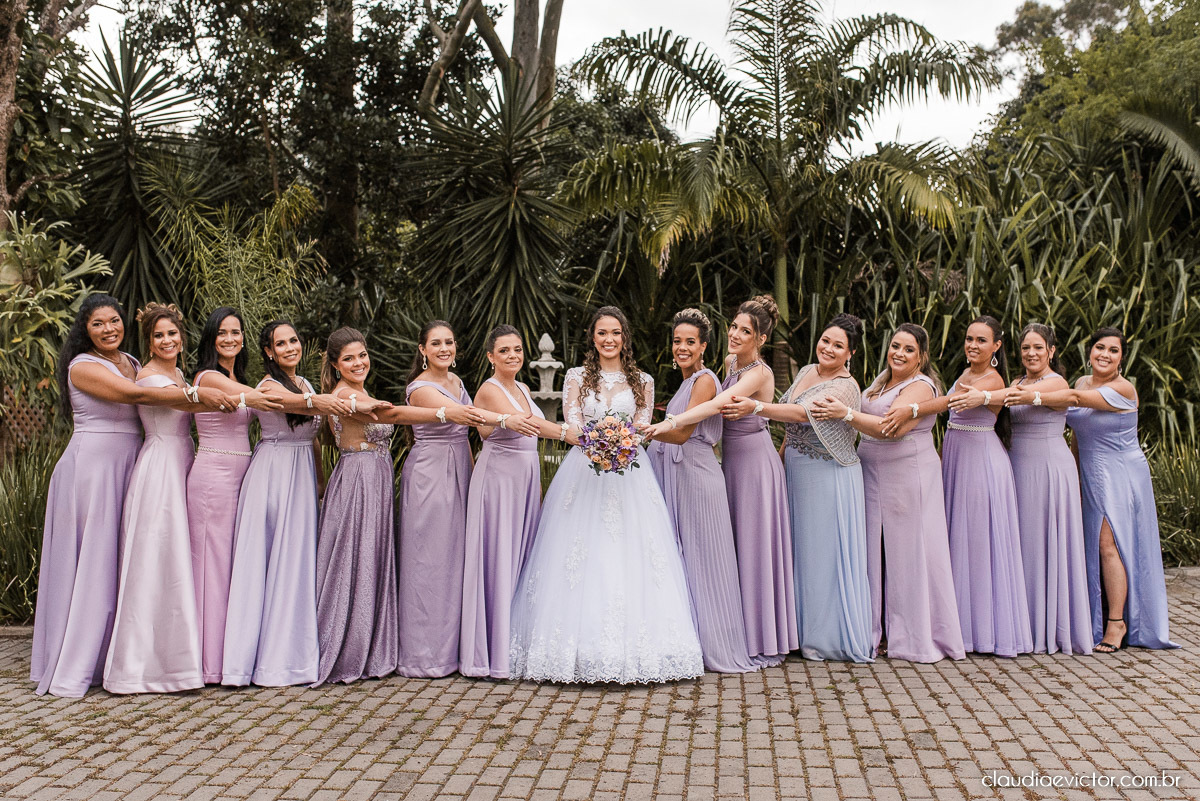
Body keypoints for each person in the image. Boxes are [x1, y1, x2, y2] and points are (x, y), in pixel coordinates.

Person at [32, 294, 232, 697]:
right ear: (84, 330)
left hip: (133, 462)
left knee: (121, 562)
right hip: (94, 468)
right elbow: (135, 397)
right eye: (98, 324)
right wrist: (199, 396)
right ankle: (77, 660)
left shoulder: (135, 363)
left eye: (114, 321)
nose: (109, 329)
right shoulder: (83, 366)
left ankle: (111, 652)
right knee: (93, 562)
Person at [509, 306, 704, 683]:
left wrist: (622, 441)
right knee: (578, 553)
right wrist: (597, 442)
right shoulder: (576, 377)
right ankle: (573, 651)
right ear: (592, 337)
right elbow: (573, 422)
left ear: (624, 337)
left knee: (637, 555)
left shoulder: (643, 380)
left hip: (631, 473)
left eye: (615, 332)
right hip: (584, 470)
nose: (609, 339)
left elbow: (644, 426)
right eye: (602, 333)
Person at [314, 327, 489, 684]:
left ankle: (376, 642)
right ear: (335, 364)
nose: (358, 362)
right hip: (359, 482)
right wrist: (445, 414)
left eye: (362, 355)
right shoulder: (346, 393)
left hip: (376, 479)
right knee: (358, 560)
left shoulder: (360, 388)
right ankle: (353, 646)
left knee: (375, 560)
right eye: (348, 358)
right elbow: (389, 416)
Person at [223, 321, 386, 686]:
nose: (289, 347)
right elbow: (289, 405)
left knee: (297, 563)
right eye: (280, 344)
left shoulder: (306, 383)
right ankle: (260, 660)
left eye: (293, 340)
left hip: (301, 476)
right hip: (274, 471)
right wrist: (319, 402)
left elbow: (313, 435)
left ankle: (295, 651)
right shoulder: (269, 385)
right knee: (270, 561)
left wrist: (321, 481)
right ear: (268, 352)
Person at [643, 295, 797, 665]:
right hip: (729, 462)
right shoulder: (728, 362)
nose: (737, 335)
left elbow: (714, 403)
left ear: (760, 339)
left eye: (746, 331)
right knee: (734, 551)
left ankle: (763, 636)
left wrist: (669, 423)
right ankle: (736, 628)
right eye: (734, 327)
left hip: (756, 463)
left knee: (755, 549)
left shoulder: (759, 372)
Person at [1008, 326, 1176, 652]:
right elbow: (1075, 434)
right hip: (1088, 470)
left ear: (1121, 358)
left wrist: (1031, 395)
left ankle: (1117, 623)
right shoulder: (1084, 381)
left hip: (1121, 473)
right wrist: (1072, 472)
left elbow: (1072, 400)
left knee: (1108, 543)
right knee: (1091, 545)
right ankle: (1095, 617)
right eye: (1100, 347)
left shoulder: (1123, 389)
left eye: (1113, 351)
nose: (1104, 355)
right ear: (1090, 351)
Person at [723, 313, 873, 663]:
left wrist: (756, 407)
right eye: (826, 340)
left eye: (838, 346)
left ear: (850, 353)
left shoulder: (845, 387)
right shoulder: (807, 370)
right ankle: (794, 629)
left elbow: (801, 414)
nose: (829, 349)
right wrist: (778, 459)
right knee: (797, 553)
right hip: (795, 472)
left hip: (828, 476)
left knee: (822, 556)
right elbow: (791, 426)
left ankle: (824, 637)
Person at [881, 316, 1033, 657]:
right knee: (957, 541)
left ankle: (983, 630)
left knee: (978, 543)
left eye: (982, 340)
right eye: (969, 338)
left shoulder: (993, 379)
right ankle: (957, 623)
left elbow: (995, 396)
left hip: (981, 463)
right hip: (956, 459)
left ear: (996, 346)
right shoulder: (966, 374)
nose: (973, 345)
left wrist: (913, 408)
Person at [812, 323, 965, 663]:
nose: (899, 353)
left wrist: (846, 413)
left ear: (921, 356)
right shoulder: (882, 382)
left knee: (908, 555)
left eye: (908, 349)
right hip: (870, 472)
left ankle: (912, 636)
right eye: (895, 345)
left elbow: (889, 429)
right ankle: (870, 630)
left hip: (907, 474)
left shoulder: (921, 387)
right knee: (870, 553)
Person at [460, 325, 580, 679]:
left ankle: (515, 640)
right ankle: (492, 652)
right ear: (490, 357)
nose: (513, 356)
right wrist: (574, 435)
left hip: (524, 480)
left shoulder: (525, 388)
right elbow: (531, 425)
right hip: (499, 481)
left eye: (517, 349)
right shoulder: (489, 389)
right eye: (505, 351)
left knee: (524, 555)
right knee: (500, 555)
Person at [646, 309, 759, 673]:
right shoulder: (685, 382)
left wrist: (638, 431)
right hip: (677, 473)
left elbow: (680, 433)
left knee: (704, 557)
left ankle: (716, 643)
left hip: (696, 475)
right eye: (677, 341)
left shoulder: (706, 381)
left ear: (703, 346)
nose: (682, 347)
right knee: (684, 558)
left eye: (690, 342)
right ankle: (691, 639)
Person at [104, 303, 206, 693]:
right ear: (148, 342)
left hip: (182, 460)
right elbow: (187, 403)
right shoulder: (148, 378)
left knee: (179, 559)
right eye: (158, 335)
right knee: (156, 559)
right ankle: (141, 666)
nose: (167, 340)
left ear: (182, 335)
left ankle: (179, 658)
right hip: (160, 467)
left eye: (172, 333)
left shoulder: (178, 372)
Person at [187, 307, 281, 683]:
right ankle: (209, 663)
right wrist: (301, 397)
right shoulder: (209, 376)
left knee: (232, 567)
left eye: (236, 332)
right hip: (213, 475)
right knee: (211, 567)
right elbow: (257, 399)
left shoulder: (237, 377)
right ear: (211, 339)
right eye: (222, 333)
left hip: (243, 475)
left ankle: (233, 655)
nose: (230, 339)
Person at [1000, 323, 1092, 655]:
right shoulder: (1015, 382)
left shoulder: (1056, 382)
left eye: (1038, 347)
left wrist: (1032, 396)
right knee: (1023, 541)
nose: (1032, 353)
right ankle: (1021, 622)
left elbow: (1067, 399)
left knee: (1044, 541)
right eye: (1026, 348)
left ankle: (1048, 626)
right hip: (1018, 465)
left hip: (1050, 467)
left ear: (1051, 351)